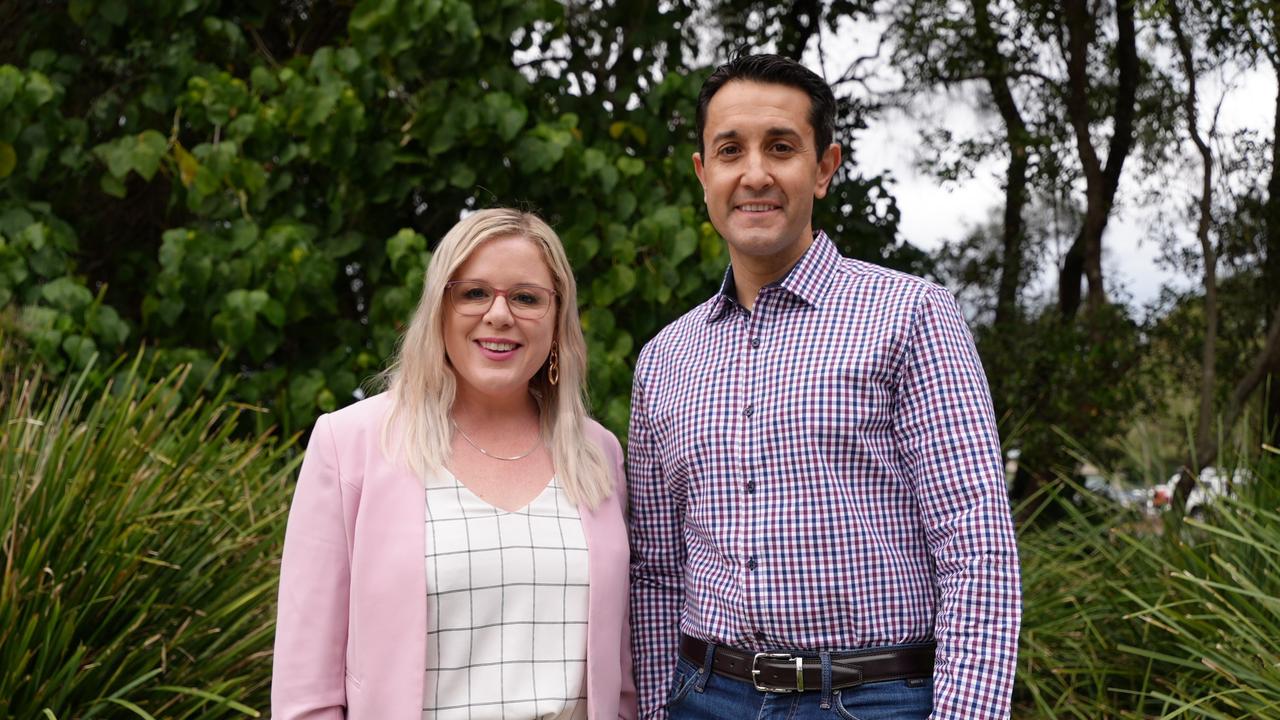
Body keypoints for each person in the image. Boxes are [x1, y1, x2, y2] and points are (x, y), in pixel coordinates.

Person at [627, 54, 1021, 720]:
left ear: (824, 168)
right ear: (703, 174)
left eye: (781, 147)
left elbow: (975, 547)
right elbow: (658, 572)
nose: (755, 173)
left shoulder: (913, 316)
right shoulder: (664, 359)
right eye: (730, 150)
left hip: (875, 701)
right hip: (704, 698)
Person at [273, 208, 637, 719]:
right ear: (439, 308)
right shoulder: (350, 444)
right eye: (474, 293)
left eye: (527, 298)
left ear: (557, 324)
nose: (499, 314)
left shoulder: (598, 454)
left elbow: (620, 680)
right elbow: (305, 695)